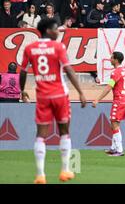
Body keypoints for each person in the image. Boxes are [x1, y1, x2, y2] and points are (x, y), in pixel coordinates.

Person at [20, 18, 87, 184]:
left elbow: (22, 71)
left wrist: (22, 90)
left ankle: (40, 175)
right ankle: (64, 171)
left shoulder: (30, 48)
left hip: (42, 96)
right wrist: (80, 92)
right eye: (56, 29)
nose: (58, 31)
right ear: (48, 30)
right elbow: (69, 69)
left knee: (41, 135)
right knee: (64, 131)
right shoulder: (58, 47)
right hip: (59, 95)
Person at [92, 51, 125, 156]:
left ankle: (119, 150)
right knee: (114, 124)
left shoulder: (116, 72)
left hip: (119, 100)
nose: (110, 59)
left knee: (114, 124)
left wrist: (97, 99)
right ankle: (114, 148)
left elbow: (109, 87)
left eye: (111, 58)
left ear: (116, 60)